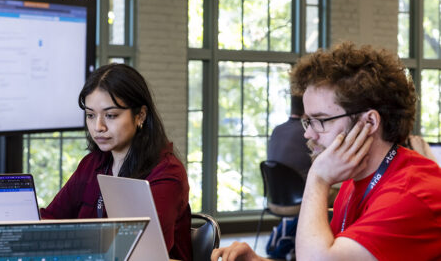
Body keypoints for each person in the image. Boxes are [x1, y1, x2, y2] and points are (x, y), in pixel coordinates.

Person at [212, 42, 441, 261]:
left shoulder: (411, 193)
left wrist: (318, 178)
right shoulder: (354, 182)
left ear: (369, 122)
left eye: (320, 121)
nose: (308, 134)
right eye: (307, 121)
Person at [40, 63, 192, 261]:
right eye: (90, 115)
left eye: (110, 115)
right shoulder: (92, 164)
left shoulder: (166, 173)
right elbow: (50, 219)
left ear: (140, 115)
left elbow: (141, 254)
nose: (98, 127)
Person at [267, 95, 310, 178]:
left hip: (274, 187)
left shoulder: (276, 130)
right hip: (301, 188)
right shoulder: (307, 132)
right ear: (306, 108)